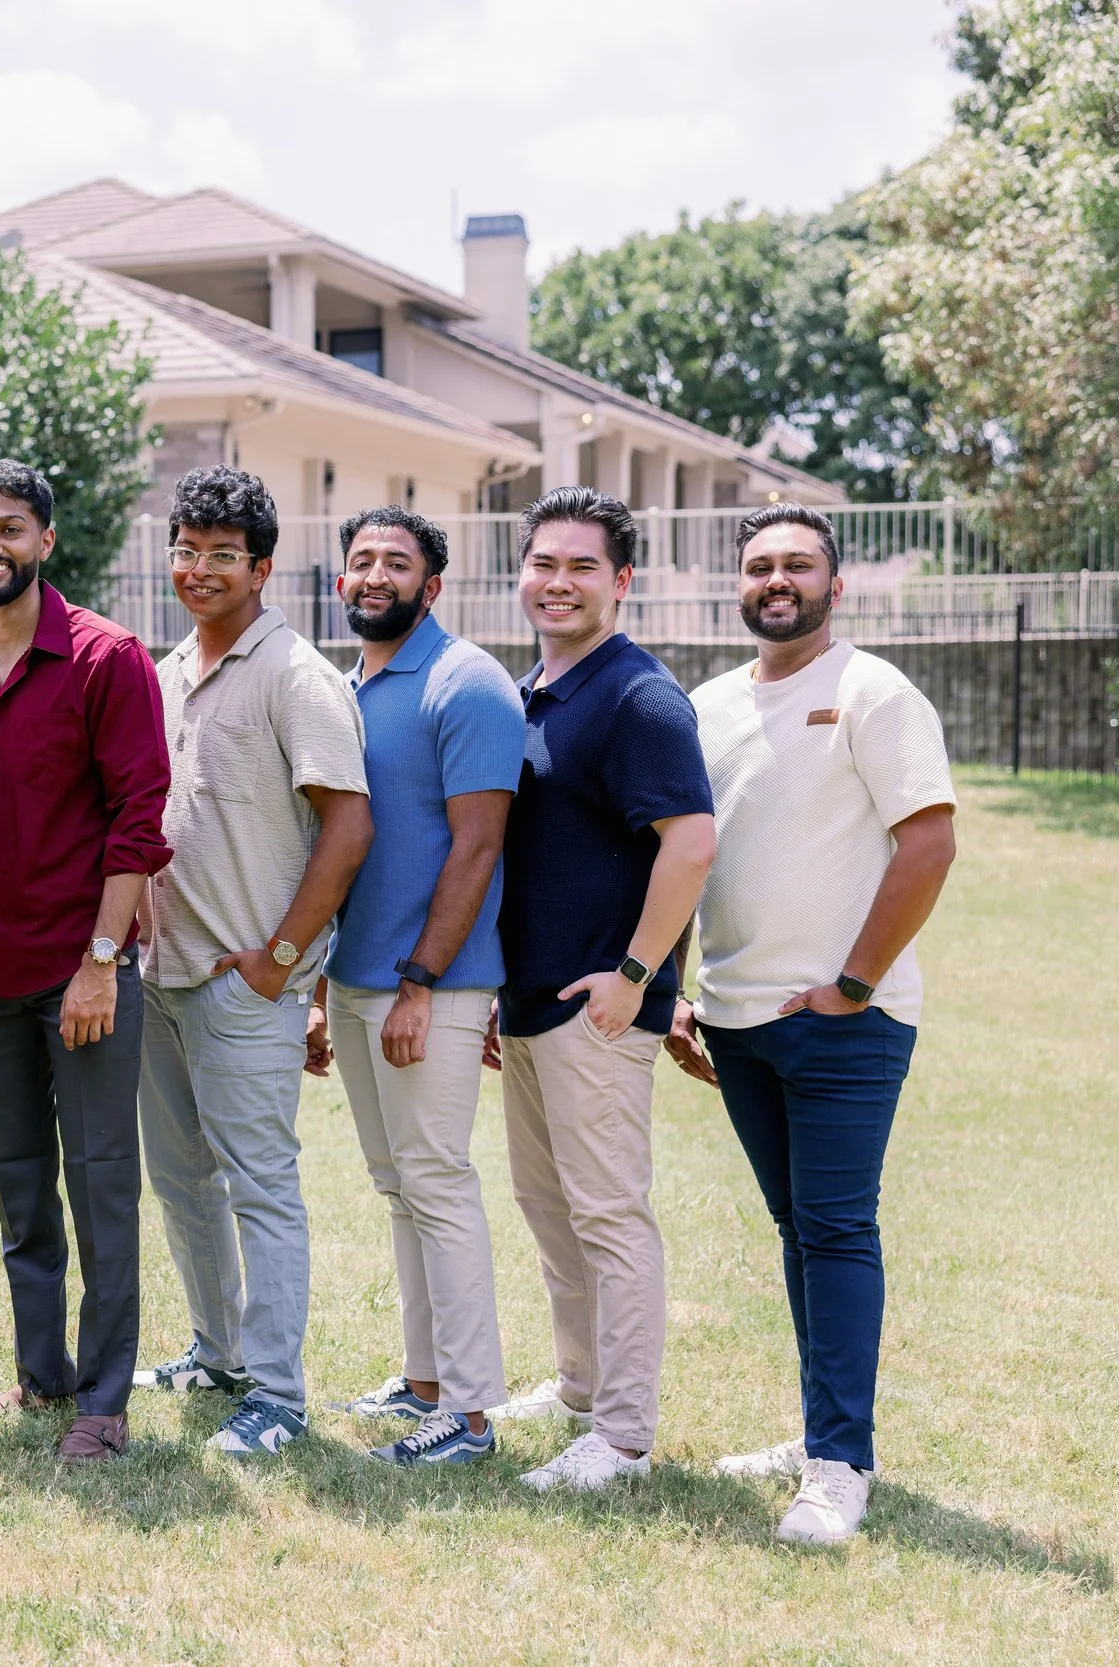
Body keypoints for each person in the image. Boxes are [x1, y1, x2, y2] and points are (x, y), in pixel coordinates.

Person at [667, 502, 957, 1545]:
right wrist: (676, 993)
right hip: (734, 1021)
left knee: (835, 1229)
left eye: (797, 564)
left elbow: (929, 844)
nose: (776, 579)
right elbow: (688, 855)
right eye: (759, 565)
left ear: (836, 585)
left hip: (844, 1022)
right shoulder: (705, 706)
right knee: (799, 1230)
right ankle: (818, 1431)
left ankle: (840, 1464)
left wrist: (853, 983)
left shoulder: (874, 691)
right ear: (737, 585)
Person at [0, 458, 172, 1466]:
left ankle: (104, 1401)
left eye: (11, 528)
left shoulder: (109, 659)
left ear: (45, 540)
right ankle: (43, 1374)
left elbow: (138, 822)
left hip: (83, 971)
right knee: (19, 1186)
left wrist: (101, 960)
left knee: (102, 1186)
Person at [132, 467, 370, 1458]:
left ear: (262, 567)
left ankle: (277, 1396)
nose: (198, 568)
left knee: (260, 1188)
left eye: (221, 554)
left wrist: (279, 961)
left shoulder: (295, 674)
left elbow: (348, 826)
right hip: (159, 975)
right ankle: (218, 1352)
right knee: (182, 1182)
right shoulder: (164, 670)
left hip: (242, 985)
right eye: (185, 550)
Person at [493, 486, 716, 1494]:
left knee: (609, 1216)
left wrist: (635, 976)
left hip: (600, 1008)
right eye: (544, 562)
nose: (559, 581)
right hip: (529, 1004)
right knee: (551, 1210)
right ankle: (580, 1387)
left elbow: (692, 842)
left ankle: (622, 1437)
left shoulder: (638, 697)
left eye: (582, 565)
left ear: (621, 581)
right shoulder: (533, 690)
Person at [312, 506, 525, 1469]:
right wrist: (327, 988)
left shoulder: (466, 682)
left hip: (430, 985)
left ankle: (471, 1416)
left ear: (431, 586)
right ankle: (425, 1380)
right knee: (399, 1184)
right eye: (361, 560)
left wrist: (420, 982)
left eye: (396, 563)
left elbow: (478, 846)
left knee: (436, 1181)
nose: (375, 575)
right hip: (356, 976)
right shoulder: (348, 686)